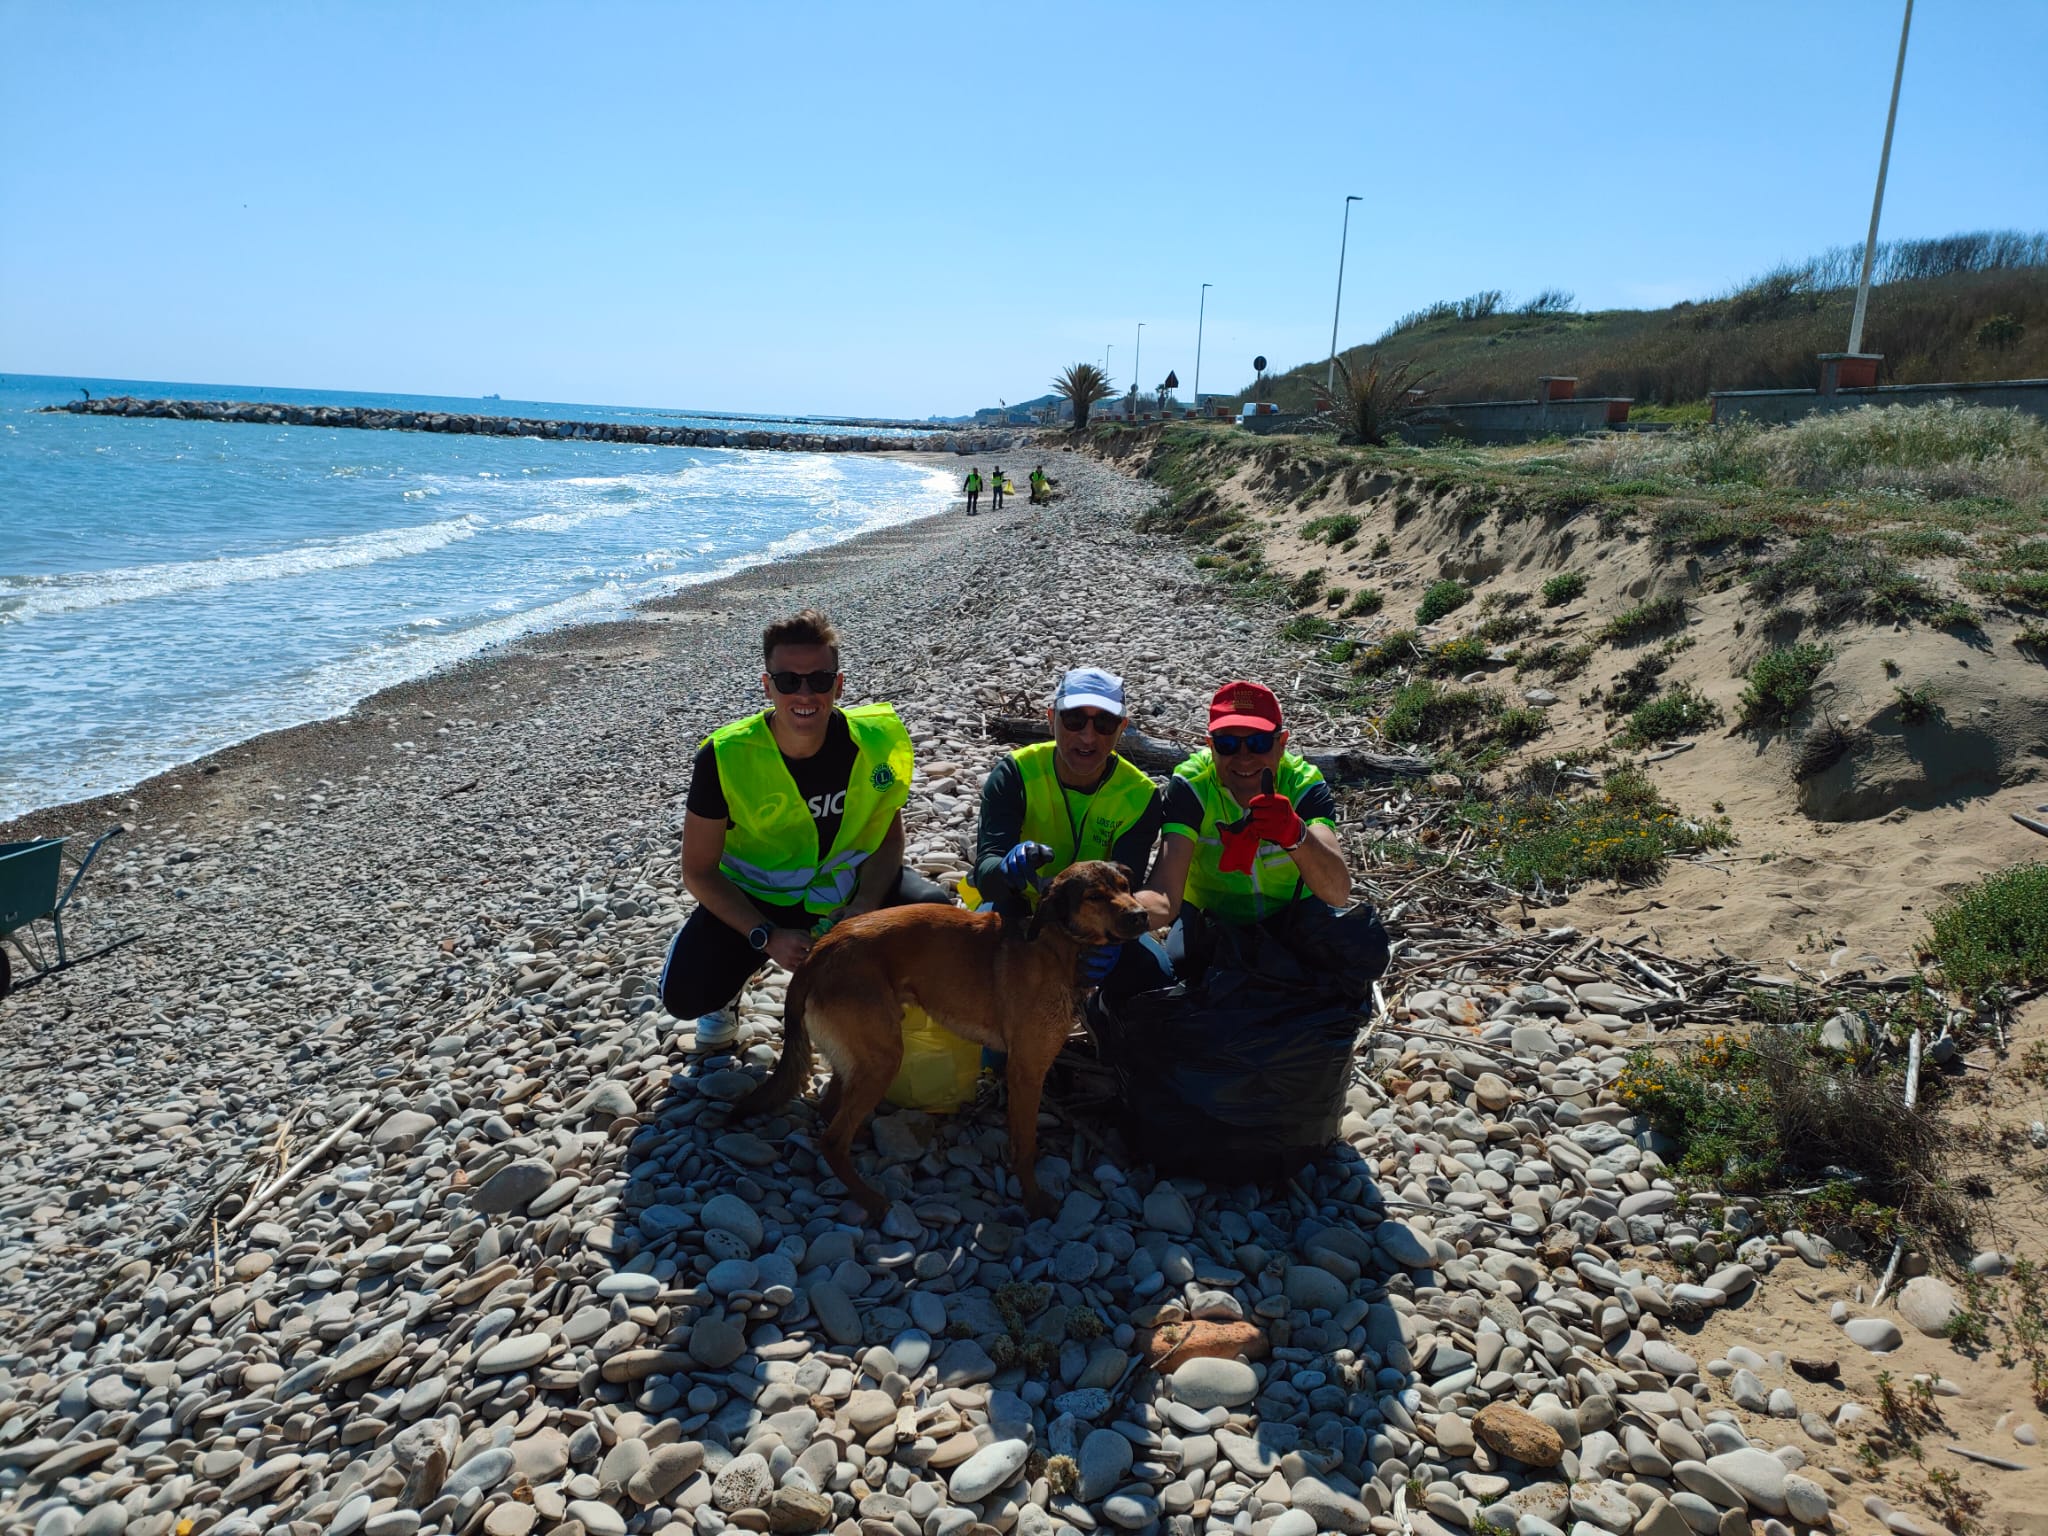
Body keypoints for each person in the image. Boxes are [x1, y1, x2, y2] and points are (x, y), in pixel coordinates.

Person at [662, 608, 948, 1051]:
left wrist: (866, 907)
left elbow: (888, 838)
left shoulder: (874, 742)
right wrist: (765, 935)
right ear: (766, 685)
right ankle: (729, 990)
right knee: (685, 995)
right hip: (760, 899)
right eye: (788, 681)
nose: (805, 694)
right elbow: (698, 872)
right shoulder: (724, 756)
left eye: (818, 680)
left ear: (839, 684)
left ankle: (886, 1008)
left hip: (844, 892)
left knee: (934, 915)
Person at [1142, 679, 1353, 980]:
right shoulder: (1191, 786)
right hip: (1212, 916)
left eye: (1259, 742)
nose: (1244, 757)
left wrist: (1297, 835)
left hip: (1292, 912)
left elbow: (1337, 892)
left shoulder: (1304, 784)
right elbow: (1165, 892)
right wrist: (1116, 922)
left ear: (1282, 744)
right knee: (1183, 966)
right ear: (1211, 746)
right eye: (1228, 744)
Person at [973, 669, 1167, 992]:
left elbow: (1127, 890)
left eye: (1104, 724)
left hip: (1099, 919)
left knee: (1155, 977)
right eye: (1074, 720)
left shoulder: (1141, 795)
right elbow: (986, 875)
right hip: (1020, 906)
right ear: (1051, 719)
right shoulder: (1014, 775)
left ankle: (1108, 1024)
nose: (1088, 737)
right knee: (980, 964)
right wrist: (1007, 872)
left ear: (1122, 729)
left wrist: (1111, 942)